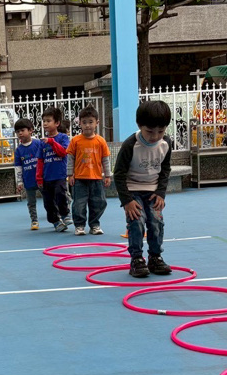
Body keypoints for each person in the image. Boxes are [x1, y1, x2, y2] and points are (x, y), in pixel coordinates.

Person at [113, 99, 174, 278]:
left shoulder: (165, 144)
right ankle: (137, 259)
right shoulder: (130, 144)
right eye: (150, 131)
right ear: (139, 125)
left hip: (153, 191)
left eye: (161, 131)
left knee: (156, 222)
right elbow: (119, 174)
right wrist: (127, 201)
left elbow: (165, 169)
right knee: (137, 221)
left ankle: (155, 257)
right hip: (132, 190)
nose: (155, 136)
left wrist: (161, 193)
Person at [66, 105, 111, 236]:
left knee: (99, 202)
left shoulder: (101, 141)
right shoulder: (75, 141)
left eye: (90, 122)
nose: (87, 125)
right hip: (80, 179)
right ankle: (79, 225)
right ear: (79, 123)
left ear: (97, 123)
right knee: (79, 204)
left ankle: (94, 224)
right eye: (84, 122)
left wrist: (107, 175)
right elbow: (70, 159)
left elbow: (105, 159)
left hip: (96, 179)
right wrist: (70, 175)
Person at [34, 105, 71, 231]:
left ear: (57, 123)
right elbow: (40, 160)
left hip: (59, 175)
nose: (45, 123)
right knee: (48, 201)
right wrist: (39, 178)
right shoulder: (42, 142)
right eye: (44, 121)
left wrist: (51, 142)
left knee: (60, 194)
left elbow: (63, 152)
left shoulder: (63, 138)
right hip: (46, 177)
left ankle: (65, 214)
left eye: (48, 121)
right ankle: (55, 221)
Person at [12, 118, 45, 230]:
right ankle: (34, 220)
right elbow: (18, 167)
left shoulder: (38, 143)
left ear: (30, 130)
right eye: (18, 131)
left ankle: (55, 218)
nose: (20, 133)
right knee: (31, 203)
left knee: (49, 199)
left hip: (41, 180)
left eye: (22, 130)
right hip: (28, 181)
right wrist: (19, 182)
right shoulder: (18, 151)